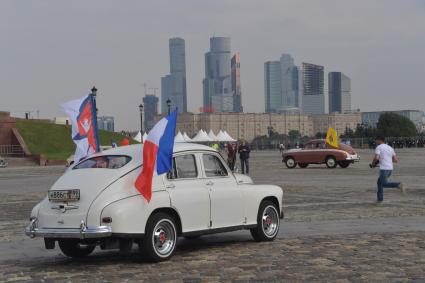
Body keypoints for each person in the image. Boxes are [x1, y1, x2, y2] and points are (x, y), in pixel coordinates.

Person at [371, 136, 405, 203]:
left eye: (376, 140)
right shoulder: (390, 148)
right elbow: (395, 160)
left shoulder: (379, 147)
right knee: (379, 183)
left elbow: (376, 158)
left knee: (384, 184)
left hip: (384, 169)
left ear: (379, 140)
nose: (375, 142)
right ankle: (380, 199)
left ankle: (398, 184)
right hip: (390, 168)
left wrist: (373, 164)